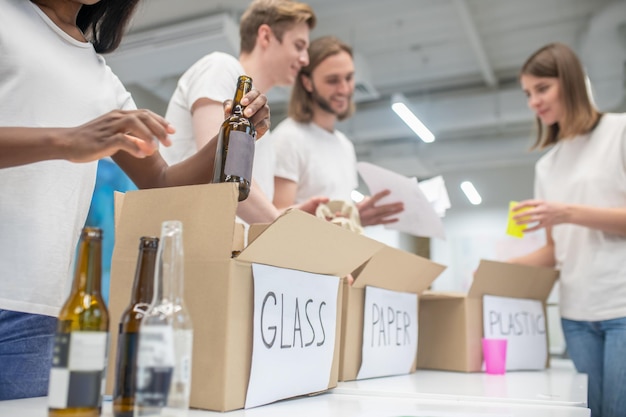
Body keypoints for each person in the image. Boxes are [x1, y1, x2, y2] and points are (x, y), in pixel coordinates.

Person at [0, 0, 269, 400]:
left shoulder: (99, 77)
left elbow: (161, 181)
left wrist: (230, 138)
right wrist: (66, 141)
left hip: (41, 314)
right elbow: (71, 142)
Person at [510, 42, 626, 417]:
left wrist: (568, 212)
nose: (533, 102)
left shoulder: (619, 132)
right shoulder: (547, 166)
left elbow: (568, 219)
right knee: (590, 413)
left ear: (570, 82)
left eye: (542, 89)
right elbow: (554, 250)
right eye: (528, 93)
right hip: (575, 315)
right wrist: (499, 270)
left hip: (621, 306)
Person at [161, 0, 326, 223]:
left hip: (224, 246)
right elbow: (221, 167)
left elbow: (242, 196)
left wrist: (290, 216)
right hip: (189, 242)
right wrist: (280, 225)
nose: (305, 59)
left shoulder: (260, 123)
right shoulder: (221, 68)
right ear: (266, 36)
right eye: (298, 46)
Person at [272, 36, 404, 227]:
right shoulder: (288, 138)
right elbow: (276, 223)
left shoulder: (344, 145)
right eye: (332, 80)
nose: (344, 89)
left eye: (349, 78)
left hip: (338, 254)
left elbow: (337, 217)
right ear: (307, 83)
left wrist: (355, 216)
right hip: (299, 256)